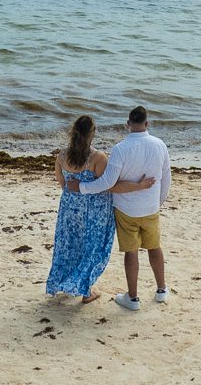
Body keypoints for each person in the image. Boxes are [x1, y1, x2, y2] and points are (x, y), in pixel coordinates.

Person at [44, 115, 154, 304]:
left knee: (69, 246)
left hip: (70, 209)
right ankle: (86, 292)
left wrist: (74, 197)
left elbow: (61, 182)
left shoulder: (62, 156)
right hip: (95, 211)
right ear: (92, 134)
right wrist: (140, 185)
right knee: (93, 249)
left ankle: (63, 283)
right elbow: (109, 185)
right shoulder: (97, 158)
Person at [71, 105, 171, 311]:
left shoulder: (120, 149)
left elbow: (106, 182)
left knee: (131, 252)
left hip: (126, 209)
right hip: (150, 207)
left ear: (128, 124)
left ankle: (132, 298)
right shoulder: (160, 145)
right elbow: (166, 177)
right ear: (147, 123)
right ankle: (161, 290)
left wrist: (81, 187)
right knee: (154, 247)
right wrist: (158, 202)